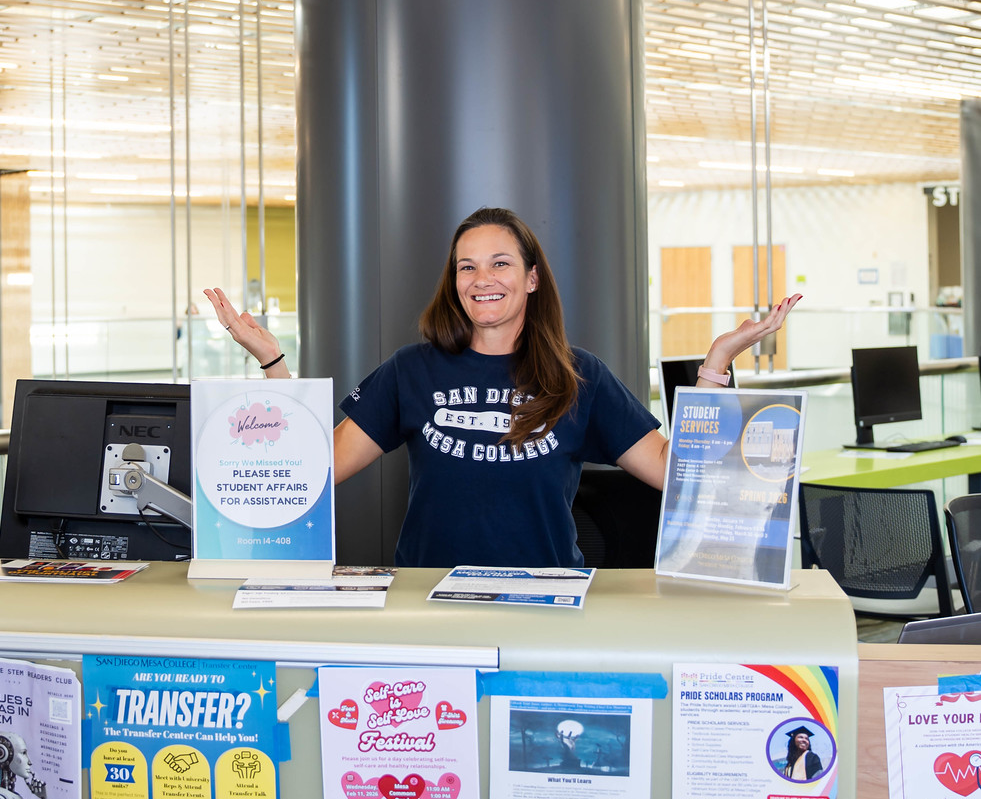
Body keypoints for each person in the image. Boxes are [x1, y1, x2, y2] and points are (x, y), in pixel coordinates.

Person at [204, 206, 798, 568]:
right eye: (467, 266)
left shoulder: (578, 375)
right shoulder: (413, 371)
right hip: (430, 598)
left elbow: (679, 473)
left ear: (532, 278)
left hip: (545, 601)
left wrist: (717, 363)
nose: (481, 279)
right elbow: (311, 469)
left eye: (500, 263)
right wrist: (273, 362)